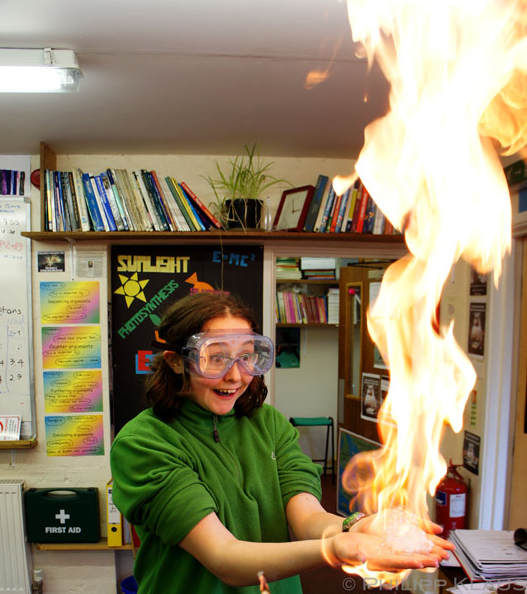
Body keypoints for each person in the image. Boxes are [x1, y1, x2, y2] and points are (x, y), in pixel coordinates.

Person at [110, 292, 453, 594]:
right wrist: (336, 549)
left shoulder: (270, 424)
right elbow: (225, 558)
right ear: (175, 361)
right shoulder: (144, 443)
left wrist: (355, 526)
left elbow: (307, 519)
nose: (235, 374)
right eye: (215, 357)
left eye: (247, 356)